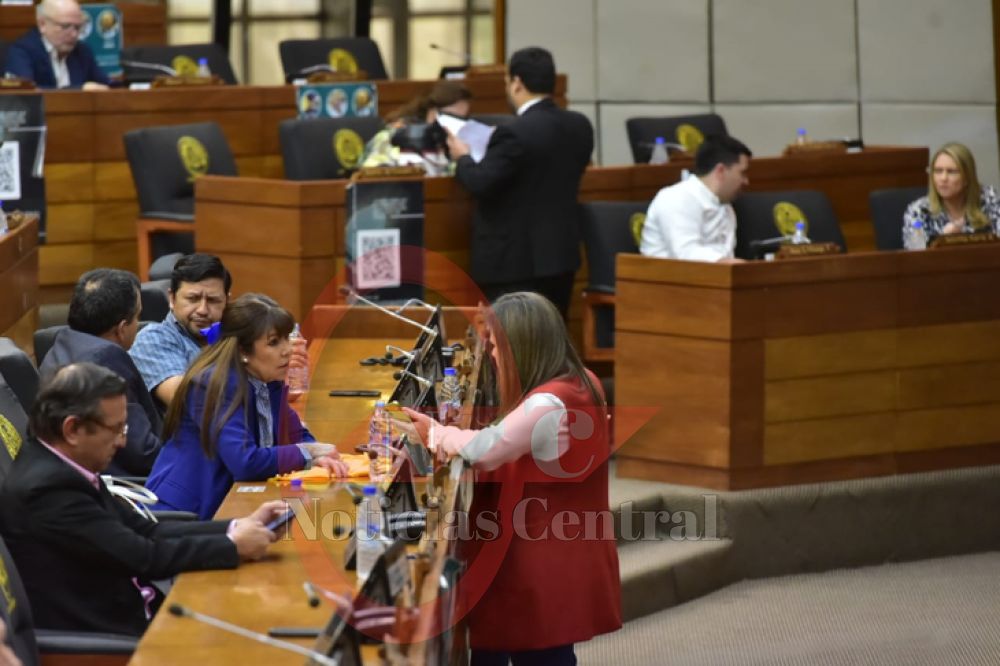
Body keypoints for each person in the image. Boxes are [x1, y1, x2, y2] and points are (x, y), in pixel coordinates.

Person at [402, 292, 621, 665]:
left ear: (522, 346)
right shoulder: (584, 381)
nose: (491, 355)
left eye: (497, 346)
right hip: (555, 545)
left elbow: (487, 450)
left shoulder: (548, 404)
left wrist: (435, 434)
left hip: (538, 557)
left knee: (542, 654)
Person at [0, 363, 287, 637]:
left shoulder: (66, 464)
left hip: (140, 610)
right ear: (72, 429)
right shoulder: (49, 489)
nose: (122, 442)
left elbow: (147, 530)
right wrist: (232, 546)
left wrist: (237, 526)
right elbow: (143, 556)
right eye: (116, 430)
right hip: (114, 639)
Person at [145, 293, 348, 520]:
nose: (287, 350)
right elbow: (245, 462)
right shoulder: (214, 385)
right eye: (274, 342)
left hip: (232, 500)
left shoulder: (266, 377)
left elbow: (294, 434)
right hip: (186, 514)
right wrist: (308, 453)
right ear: (243, 351)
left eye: (285, 338)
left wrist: (317, 455)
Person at [447, 47, 593, 317]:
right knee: (551, 347)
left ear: (516, 83)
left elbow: (481, 182)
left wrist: (463, 157)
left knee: (512, 350)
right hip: (561, 258)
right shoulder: (580, 125)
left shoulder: (513, 133)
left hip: (513, 265)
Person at [39, 268, 163, 477]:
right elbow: (144, 453)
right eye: (137, 316)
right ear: (122, 328)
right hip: (127, 487)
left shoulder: (64, 342)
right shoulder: (107, 360)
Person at [640, 134, 752, 263]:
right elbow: (686, 253)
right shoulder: (676, 198)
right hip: (665, 280)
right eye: (742, 173)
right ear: (720, 171)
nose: (746, 181)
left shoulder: (726, 207)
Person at [361, 80, 473, 176]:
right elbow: (369, 176)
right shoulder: (392, 136)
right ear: (432, 113)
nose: (457, 126)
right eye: (452, 118)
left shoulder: (459, 144)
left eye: (462, 120)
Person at [902, 142, 1000, 243]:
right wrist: (943, 240)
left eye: (951, 171)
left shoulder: (989, 200)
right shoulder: (919, 211)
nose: (943, 178)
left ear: (967, 177)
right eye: (938, 171)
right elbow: (915, 253)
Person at [4, 0, 109, 90]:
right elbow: (26, 94)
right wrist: (79, 90)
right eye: (65, 26)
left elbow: (106, 86)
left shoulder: (82, 51)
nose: (74, 34)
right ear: (42, 24)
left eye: (78, 27)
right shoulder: (21, 51)